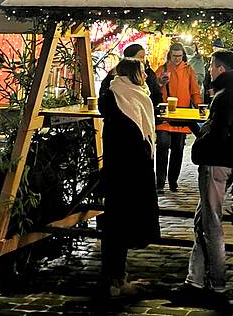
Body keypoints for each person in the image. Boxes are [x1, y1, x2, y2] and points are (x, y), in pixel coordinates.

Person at [184, 49, 233, 305]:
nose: (210, 70)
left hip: (216, 161)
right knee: (202, 219)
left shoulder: (224, 95)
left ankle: (218, 285)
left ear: (220, 68)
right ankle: (195, 279)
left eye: (212, 65)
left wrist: (200, 145)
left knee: (211, 223)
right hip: (226, 160)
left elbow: (221, 133)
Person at [98, 57, 160, 298]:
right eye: (143, 71)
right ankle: (115, 279)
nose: (146, 75)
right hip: (132, 172)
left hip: (116, 170)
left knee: (114, 223)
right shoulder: (133, 97)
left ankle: (113, 277)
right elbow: (140, 135)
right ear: (134, 74)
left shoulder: (114, 93)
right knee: (121, 224)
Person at [155, 42, 201, 193]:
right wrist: (160, 83)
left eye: (179, 56)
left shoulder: (188, 70)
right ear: (170, 55)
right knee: (162, 146)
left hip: (182, 116)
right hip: (165, 116)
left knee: (178, 149)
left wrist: (198, 106)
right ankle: (160, 182)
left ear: (183, 56)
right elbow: (153, 90)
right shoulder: (162, 69)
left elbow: (194, 91)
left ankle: (173, 180)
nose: (177, 59)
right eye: (174, 56)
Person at [123, 43, 163, 110]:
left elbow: (157, 94)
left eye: (144, 57)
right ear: (130, 58)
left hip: (148, 112)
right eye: (140, 57)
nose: (143, 60)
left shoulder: (149, 73)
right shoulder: (118, 74)